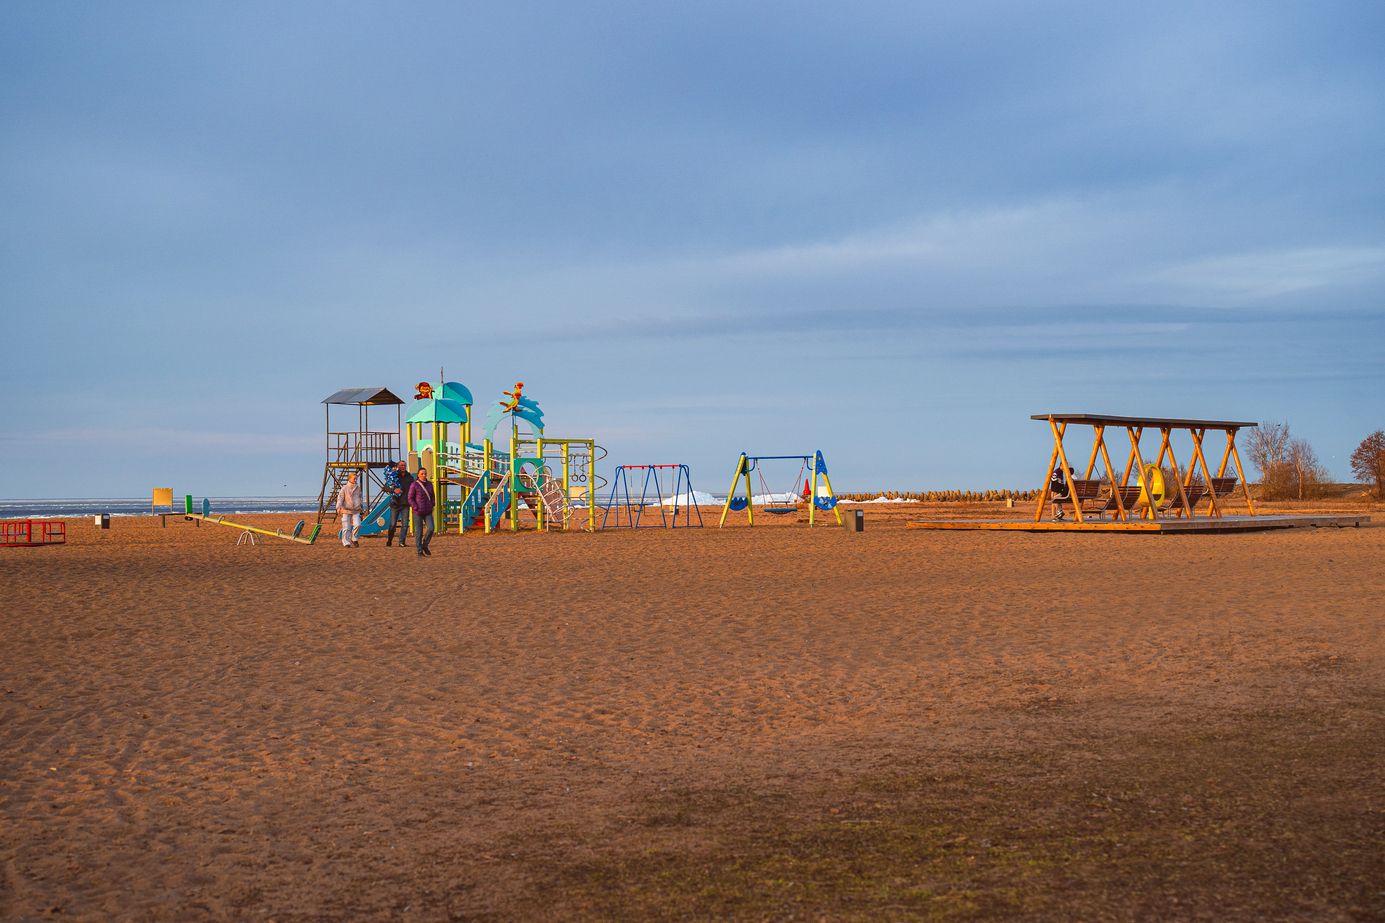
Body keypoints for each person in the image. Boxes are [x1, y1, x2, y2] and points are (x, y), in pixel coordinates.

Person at [408, 466, 435, 557]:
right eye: (422, 474)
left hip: (428, 511)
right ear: (418, 475)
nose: (424, 475)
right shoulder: (414, 485)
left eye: (425, 474)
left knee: (431, 528)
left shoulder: (430, 484)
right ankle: (419, 550)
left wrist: (432, 504)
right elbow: (410, 498)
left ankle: (425, 545)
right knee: (419, 532)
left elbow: (432, 496)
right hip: (418, 512)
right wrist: (415, 507)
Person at [385, 460, 413, 547]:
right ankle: (389, 540)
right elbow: (385, 488)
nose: (403, 467)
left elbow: (413, 489)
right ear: (398, 466)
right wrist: (394, 490)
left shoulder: (410, 477)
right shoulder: (393, 475)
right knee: (393, 524)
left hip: (405, 504)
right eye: (401, 465)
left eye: (404, 465)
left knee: (405, 524)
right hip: (395, 504)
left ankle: (401, 542)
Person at [338, 471, 363, 547]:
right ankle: (346, 542)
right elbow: (340, 498)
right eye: (354, 479)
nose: (355, 480)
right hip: (346, 509)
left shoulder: (358, 488)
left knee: (358, 525)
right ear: (349, 479)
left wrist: (361, 506)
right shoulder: (344, 488)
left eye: (356, 479)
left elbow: (360, 497)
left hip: (356, 510)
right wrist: (338, 507)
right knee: (346, 527)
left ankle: (354, 538)